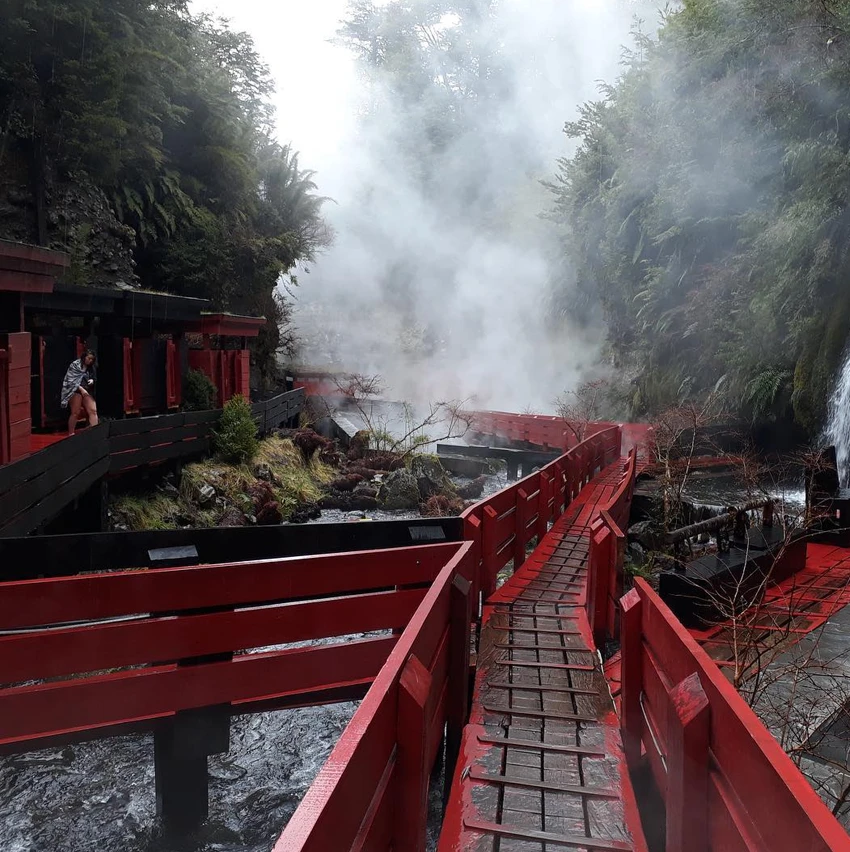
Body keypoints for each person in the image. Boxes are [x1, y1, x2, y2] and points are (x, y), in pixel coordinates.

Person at [61, 349, 99, 435]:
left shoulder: (91, 367)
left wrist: (92, 380)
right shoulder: (75, 365)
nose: (90, 360)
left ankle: (96, 433)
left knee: (93, 410)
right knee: (75, 412)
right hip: (75, 390)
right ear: (84, 357)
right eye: (88, 358)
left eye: (92, 359)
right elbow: (70, 380)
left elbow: (94, 377)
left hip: (87, 390)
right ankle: (71, 433)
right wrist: (81, 390)